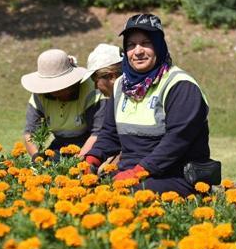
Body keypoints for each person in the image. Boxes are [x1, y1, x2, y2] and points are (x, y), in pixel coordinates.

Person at [84, 13, 211, 196]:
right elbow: (109, 134)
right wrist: (91, 160)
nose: (138, 51)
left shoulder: (181, 85)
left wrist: (137, 173)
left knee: (119, 196)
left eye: (146, 43)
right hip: (130, 174)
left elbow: (176, 142)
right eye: (131, 45)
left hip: (176, 176)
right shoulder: (121, 85)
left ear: (159, 45)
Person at [21, 49, 105, 161]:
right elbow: (30, 132)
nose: (55, 91)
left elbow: (97, 133)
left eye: (59, 87)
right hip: (59, 144)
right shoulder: (39, 95)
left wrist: (78, 161)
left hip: (92, 144)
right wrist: (37, 158)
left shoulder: (90, 90)